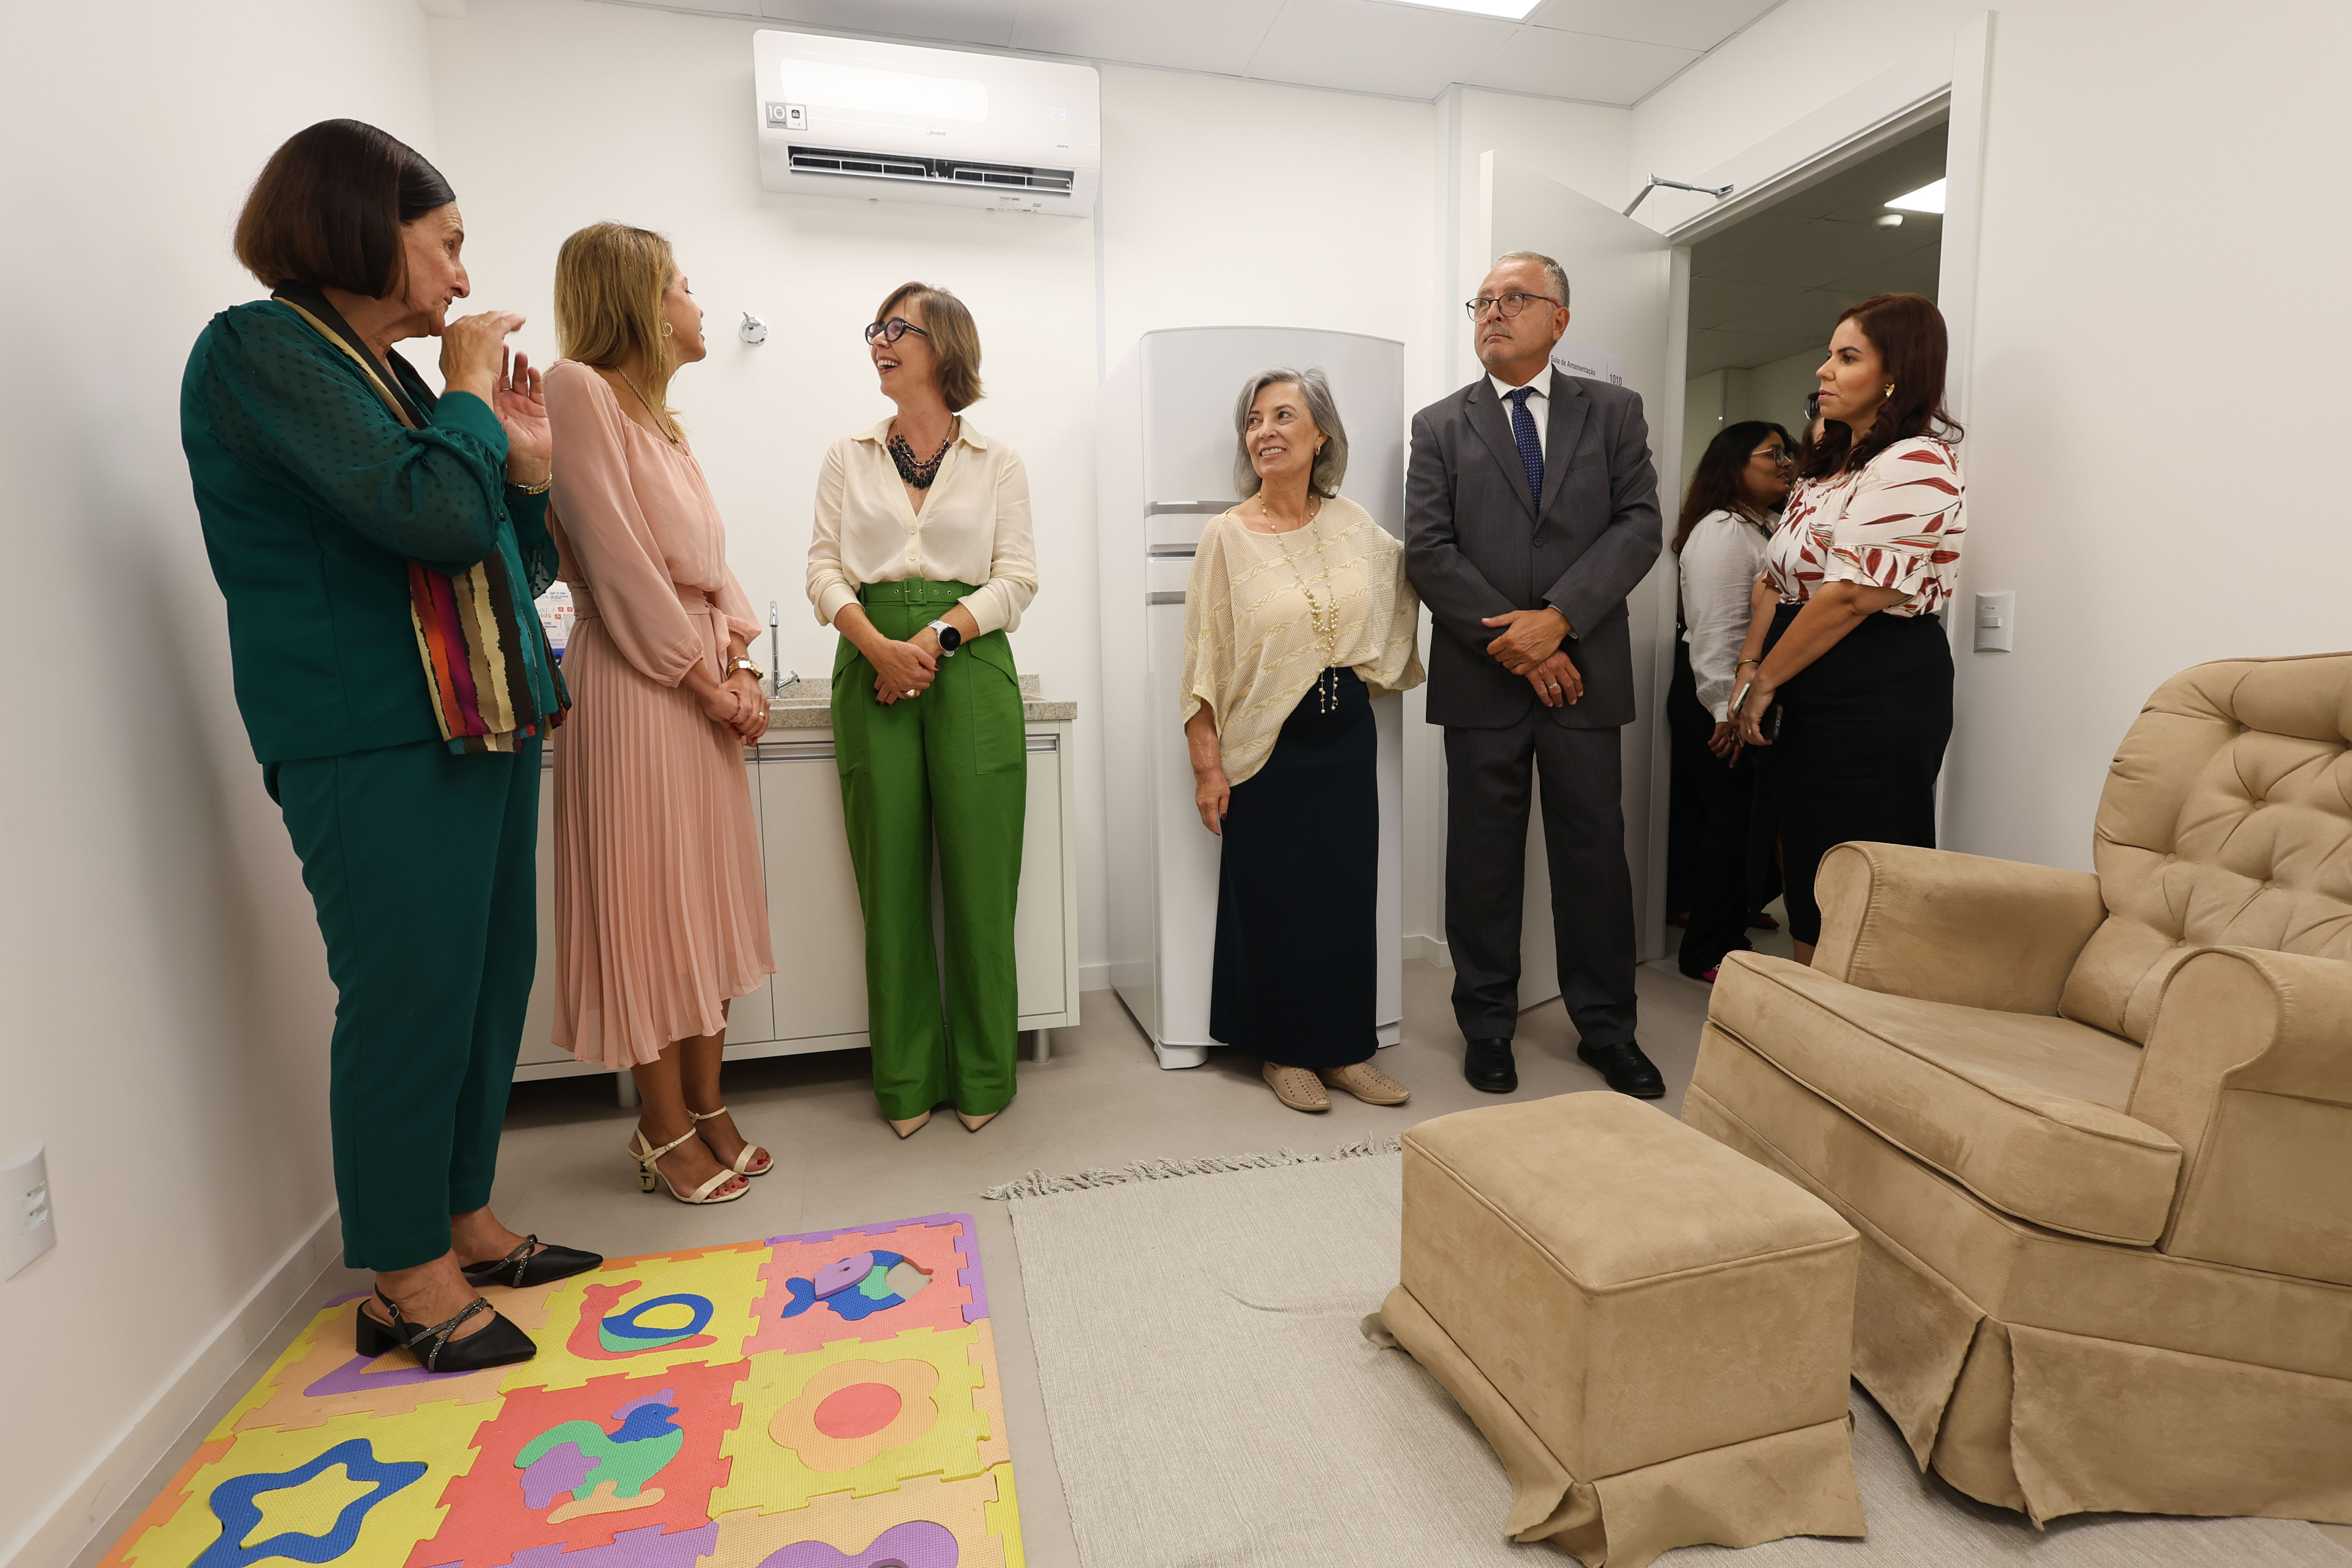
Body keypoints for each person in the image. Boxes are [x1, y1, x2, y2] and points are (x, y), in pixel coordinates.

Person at [182, 120, 599, 1374]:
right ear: (365, 226)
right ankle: (404, 1274)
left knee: (488, 984)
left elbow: (509, 559)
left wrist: (527, 473)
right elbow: (426, 516)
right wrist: (470, 398)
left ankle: (463, 1220)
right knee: (410, 996)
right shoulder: (259, 351)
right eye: (449, 244)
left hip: (478, 716)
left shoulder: (396, 384)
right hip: (370, 733)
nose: (465, 277)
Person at [543, 223, 776, 1205]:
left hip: (697, 680)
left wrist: (742, 658)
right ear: (638, 301)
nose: (698, 304)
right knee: (650, 909)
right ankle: (662, 1124)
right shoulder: (578, 388)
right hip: (641, 682)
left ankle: (708, 1106)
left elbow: (710, 566)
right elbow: (618, 562)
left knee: (706, 904)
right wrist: (704, 678)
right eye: (682, 285)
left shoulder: (667, 425)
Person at [1405, 250, 1665, 1099]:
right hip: (1482, 680)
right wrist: (1522, 645)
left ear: (1559, 318)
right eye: (1482, 301)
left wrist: (1560, 620)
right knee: (1482, 864)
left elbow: (1639, 526)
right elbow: (1430, 552)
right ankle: (1487, 1027)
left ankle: (1608, 1030)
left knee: (1595, 859)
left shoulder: (1614, 412)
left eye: (1514, 298)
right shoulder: (1439, 425)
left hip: (1586, 673)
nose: (1493, 312)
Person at [807, 284, 1037, 1139]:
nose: (878, 341)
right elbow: (824, 571)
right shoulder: (849, 455)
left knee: (982, 881)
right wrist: (879, 647)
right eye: (874, 328)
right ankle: (905, 1083)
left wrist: (933, 641)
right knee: (891, 883)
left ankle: (984, 1074)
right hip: (870, 666)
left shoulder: (998, 461)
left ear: (943, 344)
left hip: (969, 664)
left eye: (896, 328)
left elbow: (1017, 579)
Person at [1181, 370, 1425, 1113]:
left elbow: (1412, 584)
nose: (1266, 432)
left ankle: (1346, 1050)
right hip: (1266, 744)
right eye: (1254, 420)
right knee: (1276, 898)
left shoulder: (1354, 525)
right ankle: (1284, 1052)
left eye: (1283, 416)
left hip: (1345, 735)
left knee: (1346, 894)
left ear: (1321, 435)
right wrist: (1207, 766)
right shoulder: (1226, 536)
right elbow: (1203, 659)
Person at [1733, 293, 1965, 962]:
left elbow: (1851, 598)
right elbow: (1777, 582)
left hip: (1873, 679)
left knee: (1860, 872)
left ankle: (1858, 1017)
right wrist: (1752, 668)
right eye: (1829, 355)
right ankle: (1810, 1007)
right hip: (1806, 669)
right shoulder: (1829, 469)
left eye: (1847, 357)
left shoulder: (1916, 462)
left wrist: (1765, 682)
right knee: (1805, 858)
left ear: (1895, 376)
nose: (1824, 371)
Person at [1667, 421, 1793, 981]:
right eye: (1773, 454)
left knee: (1747, 821)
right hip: (1717, 695)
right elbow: (1715, 631)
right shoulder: (1722, 530)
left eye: (1788, 454)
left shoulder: (1765, 525)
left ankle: (1731, 916)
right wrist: (1726, 710)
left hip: (1743, 696)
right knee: (1731, 824)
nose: (1786, 464)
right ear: (1735, 466)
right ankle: (1708, 949)